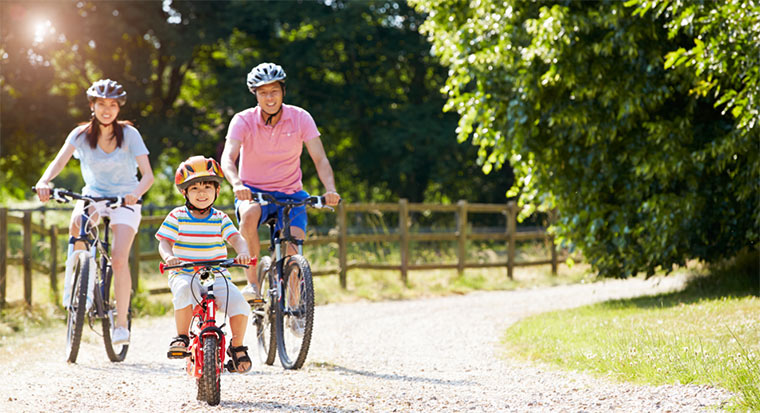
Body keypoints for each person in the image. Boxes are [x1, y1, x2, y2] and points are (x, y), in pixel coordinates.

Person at [35, 79, 154, 345]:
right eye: (102, 104)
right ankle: (79, 290)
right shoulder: (79, 135)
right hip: (95, 195)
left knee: (119, 258)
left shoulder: (130, 135)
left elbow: (148, 175)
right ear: (93, 106)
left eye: (112, 105)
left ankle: (121, 324)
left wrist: (136, 194)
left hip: (126, 198)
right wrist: (45, 181)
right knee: (77, 222)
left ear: (118, 108)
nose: (107, 110)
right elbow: (58, 162)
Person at [221, 62, 341, 300]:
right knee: (248, 214)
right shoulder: (242, 120)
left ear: (283, 91)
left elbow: (320, 158)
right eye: (263, 92)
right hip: (253, 192)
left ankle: (295, 304)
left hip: (291, 193)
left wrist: (330, 189)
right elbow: (228, 158)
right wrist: (237, 184)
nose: (269, 97)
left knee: (294, 244)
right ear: (255, 94)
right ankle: (253, 284)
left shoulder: (301, 118)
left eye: (274, 91)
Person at [156, 156, 252, 373]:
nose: (202, 193)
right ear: (185, 193)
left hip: (217, 273)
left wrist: (243, 251)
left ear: (217, 191)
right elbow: (164, 242)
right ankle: (181, 336)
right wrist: (169, 257)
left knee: (239, 303)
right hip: (185, 272)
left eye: (207, 187)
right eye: (195, 188)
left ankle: (237, 347)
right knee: (182, 291)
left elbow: (236, 238)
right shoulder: (177, 216)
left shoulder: (220, 218)